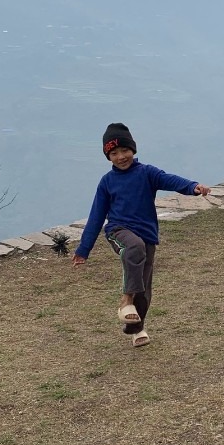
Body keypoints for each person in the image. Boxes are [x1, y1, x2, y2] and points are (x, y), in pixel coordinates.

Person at [72, 123, 211, 348]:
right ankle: (125, 301)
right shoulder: (107, 182)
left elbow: (170, 180)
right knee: (134, 247)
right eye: (114, 153)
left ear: (133, 150)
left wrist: (193, 186)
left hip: (146, 235)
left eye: (124, 150)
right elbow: (96, 216)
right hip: (118, 231)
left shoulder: (147, 173)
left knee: (145, 289)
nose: (121, 157)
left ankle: (136, 328)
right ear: (108, 157)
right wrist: (83, 249)